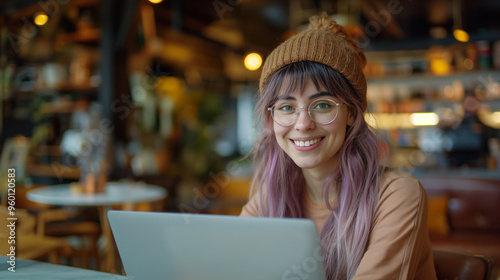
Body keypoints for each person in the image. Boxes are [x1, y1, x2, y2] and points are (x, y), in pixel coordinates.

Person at [240, 13, 437, 280]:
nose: (303, 124)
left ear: (352, 114)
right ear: (271, 117)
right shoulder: (270, 196)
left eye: (322, 105)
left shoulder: (396, 195)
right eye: (286, 107)